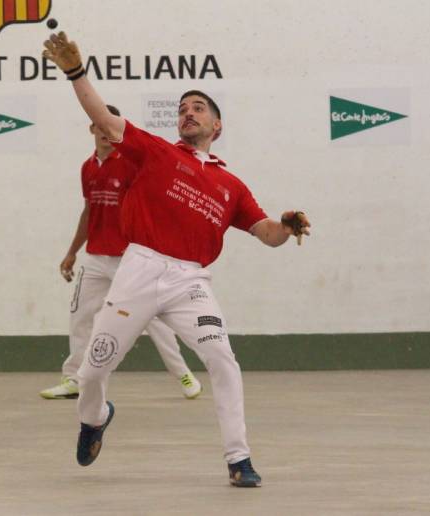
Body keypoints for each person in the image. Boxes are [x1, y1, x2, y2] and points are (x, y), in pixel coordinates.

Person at [43, 32, 311, 488]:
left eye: (198, 107)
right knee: (93, 370)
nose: (188, 112)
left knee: (223, 360)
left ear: (217, 126)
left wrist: (286, 226)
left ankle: (239, 458)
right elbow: (103, 120)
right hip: (141, 268)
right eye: (183, 107)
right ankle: (96, 419)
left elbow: (266, 235)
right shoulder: (157, 152)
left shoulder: (232, 187)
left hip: (191, 281)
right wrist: (75, 72)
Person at [39, 104, 202, 400]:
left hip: (130, 258)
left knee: (150, 319)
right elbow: (89, 212)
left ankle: (184, 375)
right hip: (95, 257)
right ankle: (74, 379)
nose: (104, 132)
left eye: (108, 127)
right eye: (98, 126)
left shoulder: (130, 163)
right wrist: (72, 251)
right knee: (80, 316)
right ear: (92, 129)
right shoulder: (88, 167)